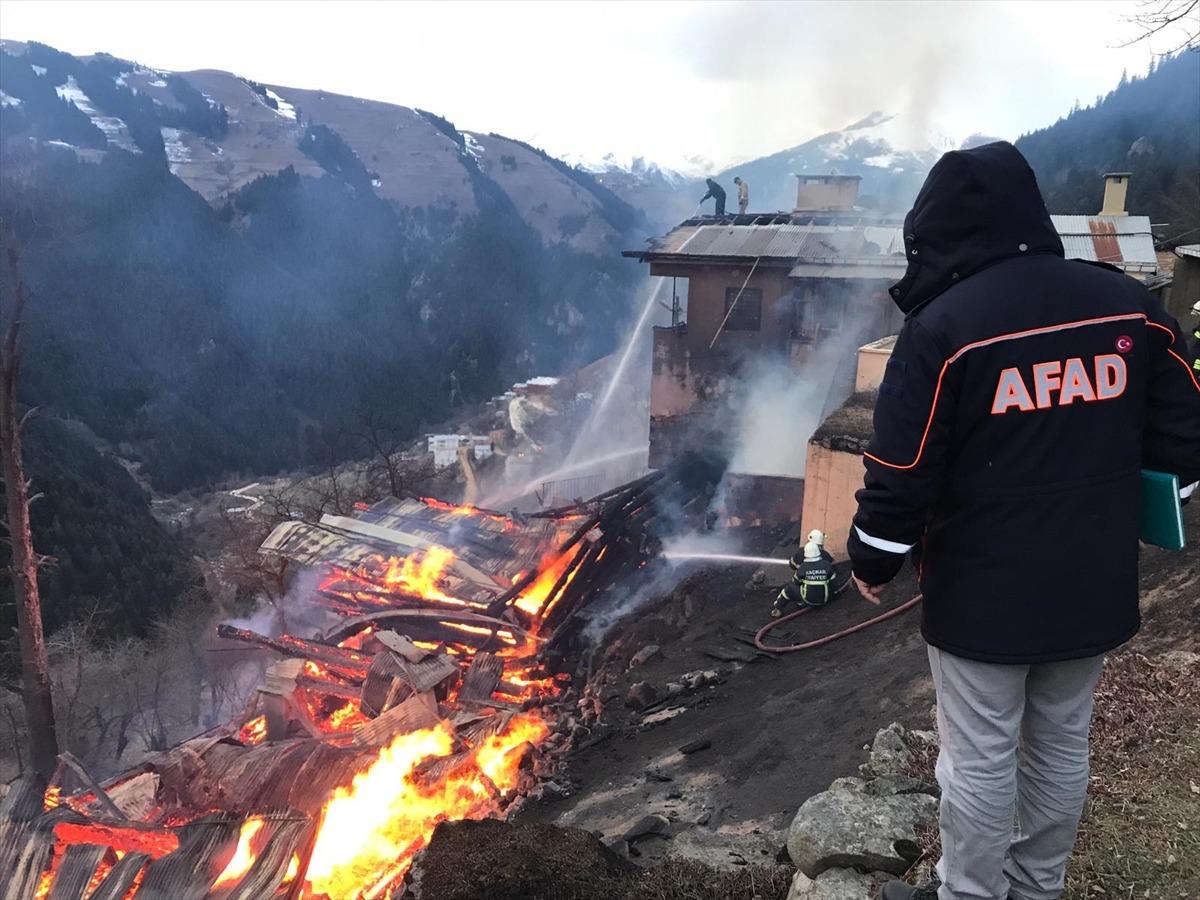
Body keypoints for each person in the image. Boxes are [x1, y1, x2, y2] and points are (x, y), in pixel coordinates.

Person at [847, 141, 1200, 900]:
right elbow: (1185, 437)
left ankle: (970, 893)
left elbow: (902, 471)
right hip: (1093, 583)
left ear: (936, 232)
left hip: (982, 598)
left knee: (977, 759)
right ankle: (1038, 887)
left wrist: (872, 558)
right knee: (1061, 747)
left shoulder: (942, 331)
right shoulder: (1130, 307)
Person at [772, 532, 836, 617]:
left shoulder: (802, 567)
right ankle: (802, 601)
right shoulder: (826, 563)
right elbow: (833, 580)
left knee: (789, 588)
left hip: (809, 599)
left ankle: (778, 608)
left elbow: (795, 581)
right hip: (825, 598)